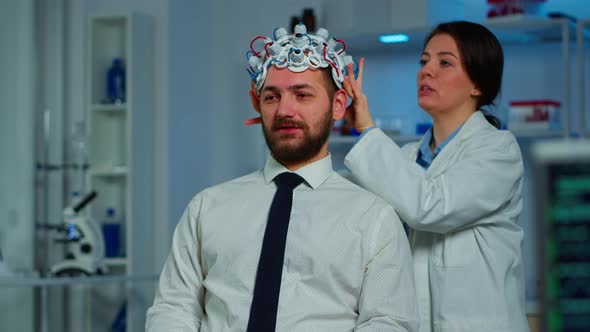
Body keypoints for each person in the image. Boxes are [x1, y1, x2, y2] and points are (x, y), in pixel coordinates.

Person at [146, 24, 419, 331]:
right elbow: (173, 308)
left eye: (302, 95)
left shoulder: (373, 218)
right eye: (272, 97)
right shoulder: (206, 208)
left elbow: (389, 322)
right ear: (257, 104)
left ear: (338, 105)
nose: (284, 110)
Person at [342, 21, 529, 331]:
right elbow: (343, 201)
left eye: (444, 62)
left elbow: (429, 207)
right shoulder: (405, 158)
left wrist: (366, 130)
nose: (427, 71)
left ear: (477, 85)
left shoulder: (498, 151)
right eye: (424, 60)